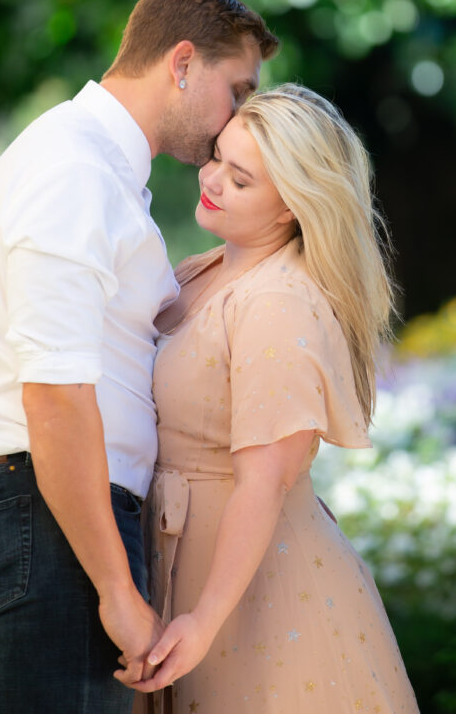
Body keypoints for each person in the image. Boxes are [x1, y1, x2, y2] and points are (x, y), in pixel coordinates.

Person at [0, 0, 279, 714]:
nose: (233, 119)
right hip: (40, 519)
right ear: (181, 63)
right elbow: (53, 388)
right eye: (235, 90)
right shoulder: (75, 170)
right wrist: (115, 587)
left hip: (40, 518)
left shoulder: (95, 168)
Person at [125, 84, 419, 713]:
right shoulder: (208, 269)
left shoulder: (278, 301)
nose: (213, 180)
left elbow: (264, 482)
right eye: (217, 158)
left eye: (241, 178)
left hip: (255, 598)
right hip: (188, 564)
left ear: (291, 206)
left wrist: (203, 621)